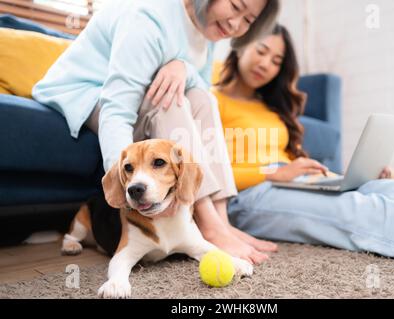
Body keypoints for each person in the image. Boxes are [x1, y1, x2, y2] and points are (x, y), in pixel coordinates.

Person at [32, 0, 280, 265]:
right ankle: (208, 225)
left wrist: (181, 65)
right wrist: (121, 184)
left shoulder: (209, 29)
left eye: (248, 20)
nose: (235, 24)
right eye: (234, 5)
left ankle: (221, 221)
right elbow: (116, 110)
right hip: (81, 92)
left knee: (203, 100)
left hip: (132, 95)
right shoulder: (147, 18)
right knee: (170, 100)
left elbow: (199, 93)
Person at [213, 24, 394, 264]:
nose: (266, 64)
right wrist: (273, 173)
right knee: (366, 209)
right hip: (248, 196)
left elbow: (286, 162)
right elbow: (210, 176)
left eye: (276, 61)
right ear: (241, 45)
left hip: (294, 180)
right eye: (261, 51)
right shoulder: (212, 98)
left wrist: (340, 179)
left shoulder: (270, 105)